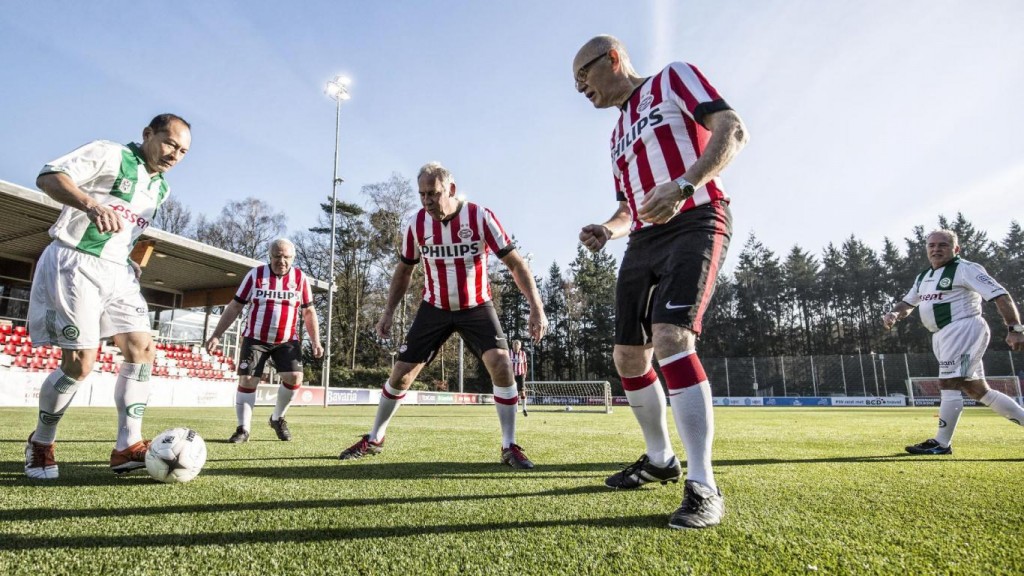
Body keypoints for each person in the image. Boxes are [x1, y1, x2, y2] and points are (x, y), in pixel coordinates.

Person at [573, 35, 748, 529]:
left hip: (697, 217)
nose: (580, 88)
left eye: (583, 75)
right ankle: (660, 458)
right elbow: (630, 208)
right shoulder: (615, 136)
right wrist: (607, 228)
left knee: (672, 337)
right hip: (643, 240)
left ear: (613, 58)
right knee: (629, 354)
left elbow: (732, 129)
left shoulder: (672, 78)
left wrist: (686, 184)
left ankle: (704, 484)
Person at [339, 162, 548, 468]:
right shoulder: (415, 224)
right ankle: (374, 438)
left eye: (432, 193)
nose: (426, 200)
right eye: (422, 194)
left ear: (450, 189)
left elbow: (515, 264)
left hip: (476, 306)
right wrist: (388, 311)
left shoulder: (480, 216)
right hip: (434, 308)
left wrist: (536, 307)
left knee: (501, 364)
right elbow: (404, 270)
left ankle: (509, 445)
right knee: (401, 374)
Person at [24, 114, 192, 479]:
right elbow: (48, 176)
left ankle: (127, 447)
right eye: (169, 143)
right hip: (76, 261)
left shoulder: (160, 188)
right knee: (80, 365)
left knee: (142, 348)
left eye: (182, 151)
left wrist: (129, 259)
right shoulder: (111, 154)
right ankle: (41, 442)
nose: (175, 154)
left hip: (117, 271)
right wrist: (90, 204)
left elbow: (126, 229)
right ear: (147, 134)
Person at [882, 229, 1024, 454]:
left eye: (943, 245)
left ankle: (941, 443)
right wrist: (894, 314)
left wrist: (1015, 328)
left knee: (948, 384)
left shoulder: (965, 269)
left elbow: (1000, 294)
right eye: (932, 245)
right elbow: (908, 303)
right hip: (942, 336)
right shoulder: (924, 277)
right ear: (927, 250)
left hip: (964, 329)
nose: (936, 249)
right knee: (977, 390)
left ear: (955, 249)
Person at [205, 238, 323, 443]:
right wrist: (216, 334)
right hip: (255, 338)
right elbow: (235, 306)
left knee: (295, 377)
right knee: (248, 380)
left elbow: (309, 311)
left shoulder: (300, 278)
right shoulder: (255, 275)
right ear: (269, 257)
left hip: (287, 339)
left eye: (286, 257)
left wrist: (315, 341)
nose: (282, 261)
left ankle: (277, 418)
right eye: (277, 256)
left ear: (293, 258)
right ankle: (243, 429)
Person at [511, 339, 529, 416]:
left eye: (517, 344)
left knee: (522, 391)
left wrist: (525, 373)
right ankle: (515, 409)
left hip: (520, 374)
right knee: (513, 392)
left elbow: (525, 364)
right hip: (511, 375)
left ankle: (524, 409)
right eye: (515, 344)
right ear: (512, 345)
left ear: (520, 346)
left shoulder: (523, 354)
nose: (516, 345)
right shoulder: (509, 353)